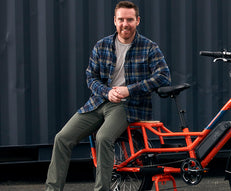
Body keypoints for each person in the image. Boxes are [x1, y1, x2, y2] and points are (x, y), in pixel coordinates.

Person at [45, 1, 171, 190]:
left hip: (127, 105)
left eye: (129, 19)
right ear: (114, 20)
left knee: (103, 138)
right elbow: (90, 77)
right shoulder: (102, 45)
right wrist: (107, 92)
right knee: (62, 138)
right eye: (121, 19)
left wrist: (130, 89)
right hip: (98, 102)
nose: (125, 24)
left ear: (138, 21)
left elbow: (163, 76)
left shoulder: (149, 47)